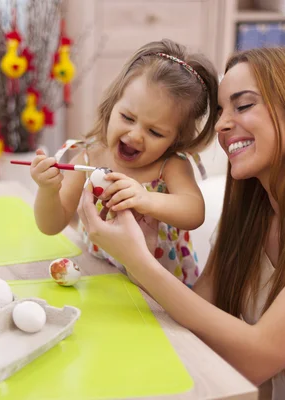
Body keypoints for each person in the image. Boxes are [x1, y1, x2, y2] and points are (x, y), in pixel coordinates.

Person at [77, 46, 285, 399]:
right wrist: (147, 252)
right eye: (220, 111)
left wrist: (138, 262)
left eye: (243, 106)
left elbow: (258, 358)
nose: (221, 125)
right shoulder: (247, 223)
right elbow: (196, 321)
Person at [30, 39, 219, 287]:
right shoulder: (91, 157)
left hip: (161, 292)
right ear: (112, 105)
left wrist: (146, 199)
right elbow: (50, 225)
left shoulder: (169, 166)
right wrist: (47, 190)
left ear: (176, 139)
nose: (135, 135)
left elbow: (194, 212)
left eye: (155, 132)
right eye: (127, 117)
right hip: (102, 279)